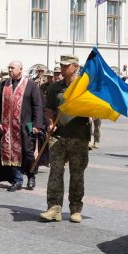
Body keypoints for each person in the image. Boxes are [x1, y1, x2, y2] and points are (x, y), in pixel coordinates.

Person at [40, 54, 91, 223]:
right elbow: (49, 109)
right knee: (55, 172)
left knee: (77, 174)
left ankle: (75, 209)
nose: (63, 68)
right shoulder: (55, 88)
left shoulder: (84, 87)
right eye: (61, 65)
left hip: (79, 136)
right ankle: (54, 208)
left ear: (76, 67)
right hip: (58, 136)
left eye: (66, 65)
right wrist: (49, 123)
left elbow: (92, 109)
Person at [0, 60, 44, 191]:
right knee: (11, 152)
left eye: (12, 68)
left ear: (20, 70)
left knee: (28, 152)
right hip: (8, 125)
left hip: (27, 123)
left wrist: (37, 124)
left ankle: (31, 176)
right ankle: (17, 179)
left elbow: (37, 106)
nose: (10, 70)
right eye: (9, 68)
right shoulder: (3, 85)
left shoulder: (31, 85)